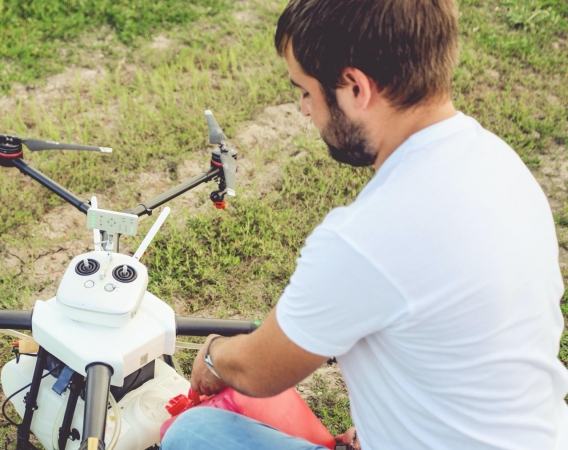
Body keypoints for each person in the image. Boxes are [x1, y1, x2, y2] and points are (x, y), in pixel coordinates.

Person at [160, 0, 568, 449]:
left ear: (356, 87)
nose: (303, 109)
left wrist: (215, 356)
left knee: (195, 434)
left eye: (305, 91)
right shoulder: (500, 164)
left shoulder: (367, 236)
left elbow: (256, 369)